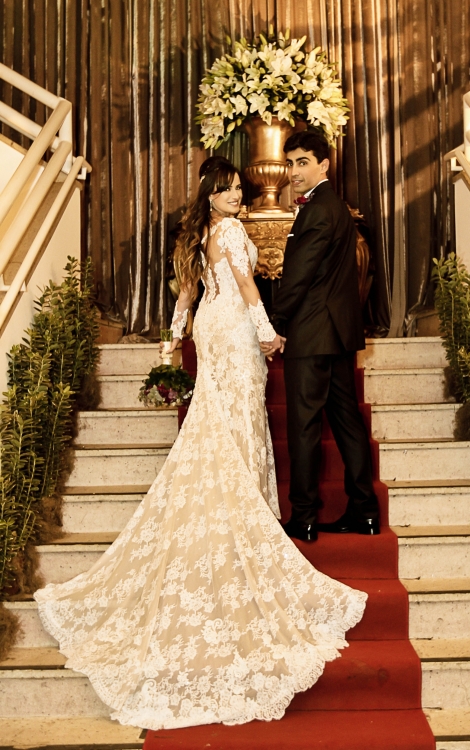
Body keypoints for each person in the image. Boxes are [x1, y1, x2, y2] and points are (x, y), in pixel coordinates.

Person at [34, 156, 367, 731]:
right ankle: (239, 514)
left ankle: (224, 506)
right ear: (211, 194)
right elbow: (245, 284)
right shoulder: (231, 231)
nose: (238, 196)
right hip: (233, 331)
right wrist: (268, 333)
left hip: (209, 331)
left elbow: (186, 296)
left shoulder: (197, 235)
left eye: (239, 188)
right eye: (229, 189)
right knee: (236, 421)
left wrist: (171, 343)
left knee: (216, 421)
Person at [269, 131, 379, 543]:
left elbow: (299, 276)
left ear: (323, 165)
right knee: (347, 423)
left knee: (304, 426)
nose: (294, 171)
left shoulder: (317, 209)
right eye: (290, 163)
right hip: (336, 333)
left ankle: (304, 517)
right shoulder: (335, 206)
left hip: (313, 333)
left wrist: (275, 322)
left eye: (302, 162)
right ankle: (365, 511)